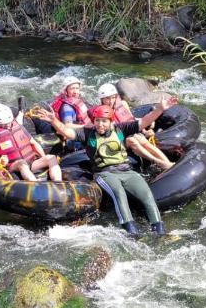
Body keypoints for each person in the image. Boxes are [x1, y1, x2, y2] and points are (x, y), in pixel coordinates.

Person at [35, 97, 179, 236]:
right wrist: (53, 120)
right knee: (119, 194)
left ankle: (159, 230)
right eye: (97, 121)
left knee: (147, 195)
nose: (100, 125)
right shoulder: (87, 134)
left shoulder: (121, 129)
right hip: (104, 173)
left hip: (126, 171)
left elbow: (144, 121)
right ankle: (131, 231)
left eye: (104, 121)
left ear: (110, 121)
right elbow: (67, 132)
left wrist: (160, 108)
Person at [89, 82, 174, 172]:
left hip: (127, 135)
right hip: (112, 141)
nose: (111, 101)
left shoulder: (123, 104)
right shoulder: (99, 113)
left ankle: (167, 163)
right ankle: (159, 163)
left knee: (140, 139)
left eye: (113, 97)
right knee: (132, 140)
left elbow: (132, 121)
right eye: (107, 98)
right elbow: (95, 128)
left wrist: (145, 131)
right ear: (101, 99)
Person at [0, 102, 63, 183]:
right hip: (12, 166)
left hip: (31, 163)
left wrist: (43, 157)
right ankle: (36, 185)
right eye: (3, 124)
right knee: (22, 163)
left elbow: (34, 143)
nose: (7, 125)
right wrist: (0, 162)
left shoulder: (17, 126)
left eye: (9, 122)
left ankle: (58, 183)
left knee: (51, 158)